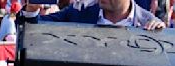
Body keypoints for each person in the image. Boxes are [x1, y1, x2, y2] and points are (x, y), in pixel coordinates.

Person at [21, 0, 166, 29]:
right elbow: (30, 29)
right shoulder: (78, 12)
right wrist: (31, 9)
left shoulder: (150, 25)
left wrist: (163, 35)